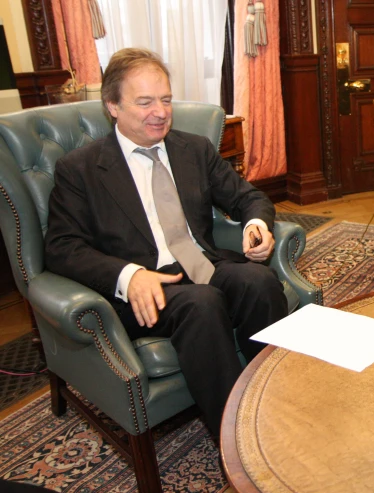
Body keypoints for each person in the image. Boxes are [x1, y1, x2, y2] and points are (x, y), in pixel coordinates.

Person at [44, 48, 288, 436]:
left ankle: (278, 397)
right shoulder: (81, 169)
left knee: (259, 281)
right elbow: (61, 247)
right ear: (112, 106)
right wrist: (127, 275)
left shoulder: (193, 149)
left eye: (166, 99)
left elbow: (247, 196)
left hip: (201, 263)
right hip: (145, 287)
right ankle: (236, 436)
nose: (160, 111)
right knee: (201, 303)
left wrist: (255, 224)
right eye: (144, 102)